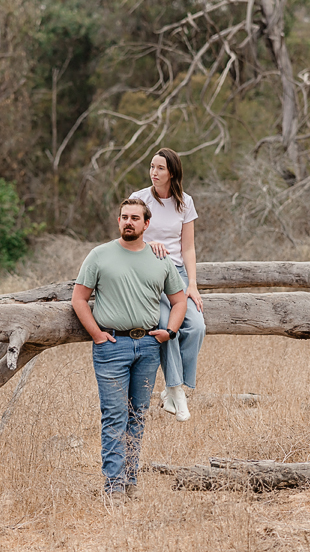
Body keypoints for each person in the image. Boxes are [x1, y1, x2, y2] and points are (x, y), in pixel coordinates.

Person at [72, 198, 188, 503]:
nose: (128, 222)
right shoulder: (99, 255)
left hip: (149, 346)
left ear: (146, 224)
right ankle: (114, 487)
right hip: (111, 346)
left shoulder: (159, 258)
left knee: (137, 416)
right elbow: (79, 299)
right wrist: (97, 334)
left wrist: (170, 331)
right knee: (114, 416)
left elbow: (179, 300)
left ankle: (131, 479)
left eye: (135, 218)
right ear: (118, 221)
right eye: (124, 217)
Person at [130, 148, 206, 422]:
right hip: (148, 275)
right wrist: (149, 243)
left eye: (160, 168)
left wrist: (193, 284)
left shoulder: (185, 202)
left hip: (176, 276)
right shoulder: (139, 199)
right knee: (166, 327)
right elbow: (129, 237)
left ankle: (172, 389)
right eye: (151, 166)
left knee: (197, 326)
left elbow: (188, 248)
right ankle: (176, 391)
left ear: (172, 172)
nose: (153, 172)